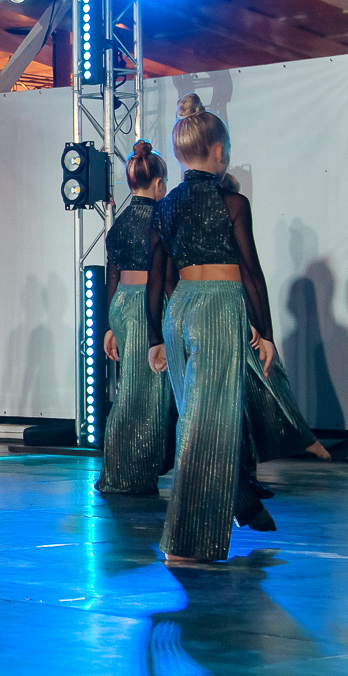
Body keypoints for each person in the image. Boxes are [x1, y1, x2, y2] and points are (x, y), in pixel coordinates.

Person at [146, 93, 280, 564]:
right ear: (219, 152)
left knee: (194, 419)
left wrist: (156, 337)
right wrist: (265, 330)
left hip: (179, 309)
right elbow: (251, 271)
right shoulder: (233, 203)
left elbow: (157, 278)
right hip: (219, 308)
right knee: (210, 423)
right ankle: (185, 540)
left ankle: (227, 508)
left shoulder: (165, 206)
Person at [98, 142, 173, 495]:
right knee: (144, 391)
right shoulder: (160, 219)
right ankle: (132, 472)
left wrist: (110, 324)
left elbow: (111, 273)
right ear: (158, 183)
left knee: (131, 385)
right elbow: (165, 275)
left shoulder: (119, 222)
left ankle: (122, 468)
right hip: (147, 303)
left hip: (122, 303)